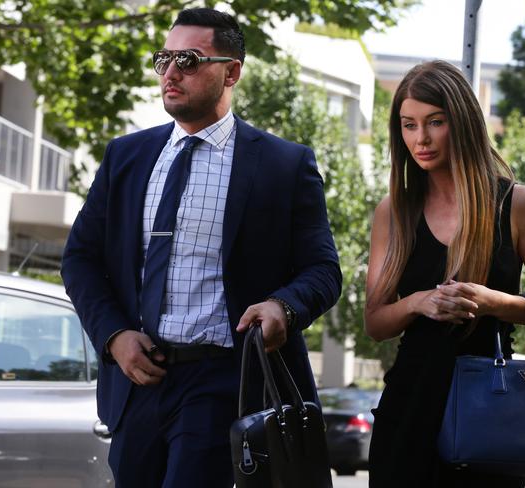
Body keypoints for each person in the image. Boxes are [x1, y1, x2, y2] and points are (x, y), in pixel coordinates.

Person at [61, 8, 341, 487]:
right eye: (164, 59)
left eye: (188, 60)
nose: (171, 73)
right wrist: (113, 336)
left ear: (230, 71)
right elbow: (80, 259)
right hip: (136, 382)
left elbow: (322, 269)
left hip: (222, 382)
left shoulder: (284, 164)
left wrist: (282, 307)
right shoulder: (125, 156)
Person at [364, 60, 525, 487]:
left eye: (435, 122)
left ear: (461, 121)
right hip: (408, 405)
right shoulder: (394, 211)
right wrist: (420, 302)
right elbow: (375, 322)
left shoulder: (517, 204)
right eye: (408, 125)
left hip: (491, 406)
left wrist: (492, 301)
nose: (420, 138)